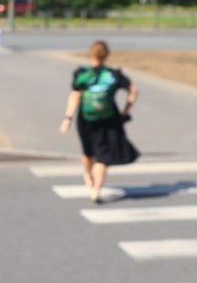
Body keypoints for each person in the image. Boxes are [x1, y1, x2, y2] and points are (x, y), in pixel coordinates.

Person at [59, 40, 139, 203]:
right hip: (108, 121)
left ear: (91, 54)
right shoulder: (113, 75)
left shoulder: (82, 74)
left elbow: (75, 95)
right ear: (107, 55)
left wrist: (68, 118)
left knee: (88, 154)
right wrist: (126, 110)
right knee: (103, 156)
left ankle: (88, 176)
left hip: (85, 120)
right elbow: (134, 91)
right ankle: (96, 190)